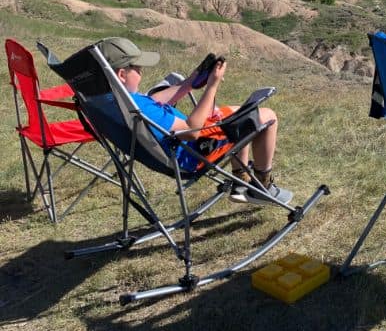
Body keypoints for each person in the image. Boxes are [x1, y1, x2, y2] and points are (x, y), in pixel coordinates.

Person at [95, 37, 292, 205]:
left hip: (174, 146)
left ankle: (240, 178)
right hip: (194, 152)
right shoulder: (138, 107)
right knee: (267, 116)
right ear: (122, 74)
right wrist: (212, 86)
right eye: (138, 69)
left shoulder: (115, 101)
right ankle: (262, 186)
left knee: (239, 112)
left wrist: (191, 81)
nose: (142, 72)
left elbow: (155, 101)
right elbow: (191, 130)